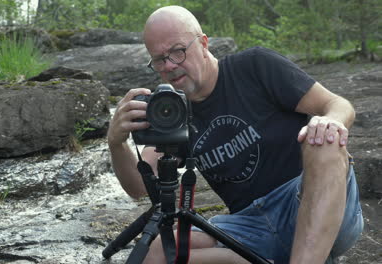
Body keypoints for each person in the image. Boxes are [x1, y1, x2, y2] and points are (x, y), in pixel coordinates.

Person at [107, 5, 363, 264]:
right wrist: (116, 142)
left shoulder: (255, 66)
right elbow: (138, 187)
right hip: (249, 226)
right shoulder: (171, 109)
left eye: (178, 51)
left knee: (324, 140)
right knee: (158, 252)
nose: (170, 65)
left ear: (204, 43)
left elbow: (339, 105)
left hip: (308, 202)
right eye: (159, 59)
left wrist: (329, 121)